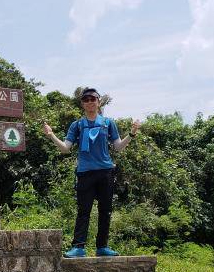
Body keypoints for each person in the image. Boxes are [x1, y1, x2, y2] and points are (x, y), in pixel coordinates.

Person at [43, 87, 141, 258]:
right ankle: (78, 247)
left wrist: (131, 134)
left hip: (105, 172)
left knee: (105, 210)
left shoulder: (108, 123)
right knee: (84, 210)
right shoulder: (77, 125)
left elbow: (117, 147)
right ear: (82, 104)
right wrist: (51, 135)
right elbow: (66, 148)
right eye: (86, 99)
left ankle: (102, 246)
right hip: (85, 172)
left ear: (98, 101)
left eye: (92, 99)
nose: (90, 102)